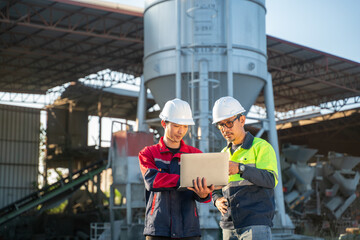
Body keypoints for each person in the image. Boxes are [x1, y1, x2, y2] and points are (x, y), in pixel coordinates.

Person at [139, 98, 214, 240]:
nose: (181, 131)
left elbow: (204, 196)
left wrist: (204, 193)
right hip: (158, 229)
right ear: (164, 123)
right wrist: (186, 181)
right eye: (176, 126)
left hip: (189, 230)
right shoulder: (148, 153)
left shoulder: (195, 155)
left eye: (185, 126)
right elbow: (152, 181)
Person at [211, 96, 279, 240]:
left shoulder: (261, 147)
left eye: (229, 123)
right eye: (220, 125)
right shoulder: (223, 154)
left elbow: (270, 179)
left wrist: (241, 169)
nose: (224, 129)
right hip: (229, 225)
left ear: (242, 120)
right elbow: (216, 187)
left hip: (255, 223)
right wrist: (216, 199)